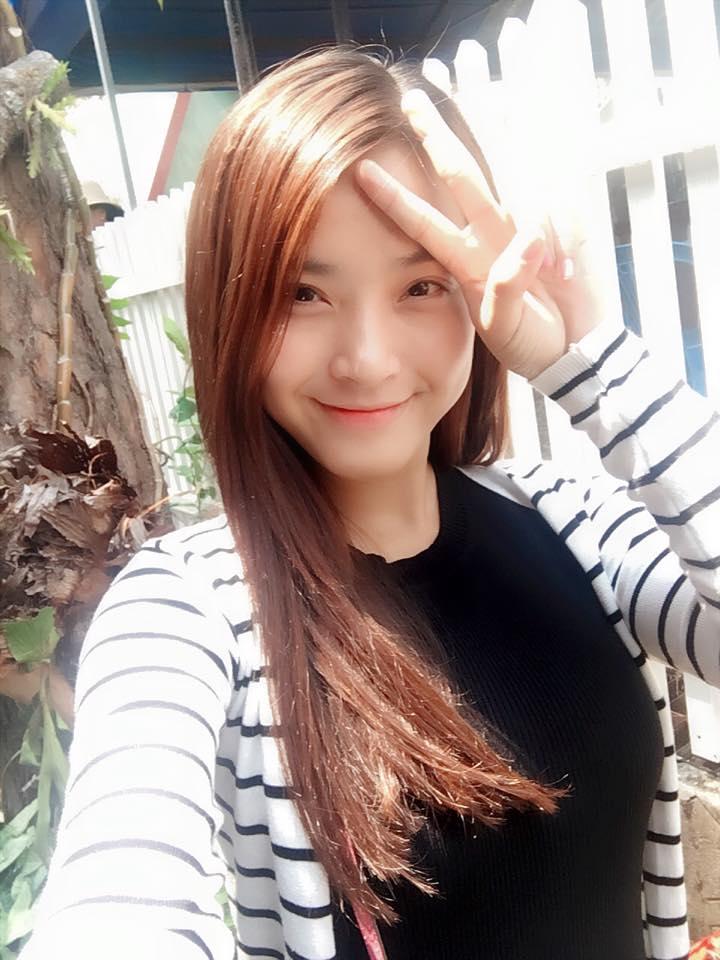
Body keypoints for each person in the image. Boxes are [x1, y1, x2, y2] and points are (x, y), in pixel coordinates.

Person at [18, 48, 720, 960]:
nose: (367, 358)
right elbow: (119, 905)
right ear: (232, 308)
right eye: (303, 292)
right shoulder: (187, 613)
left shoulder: (574, 523)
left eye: (421, 285)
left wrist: (583, 356)